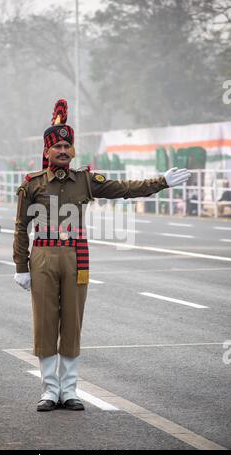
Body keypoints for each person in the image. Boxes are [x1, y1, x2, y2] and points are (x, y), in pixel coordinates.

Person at [13, 99, 191, 412]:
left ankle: (69, 391)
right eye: (58, 147)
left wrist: (161, 182)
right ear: (47, 151)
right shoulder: (32, 184)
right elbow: (20, 228)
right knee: (44, 324)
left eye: (68, 146)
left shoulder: (85, 180)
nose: (65, 151)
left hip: (75, 258)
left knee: (72, 323)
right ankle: (49, 392)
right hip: (41, 257)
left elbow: (124, 188)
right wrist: (21, 267)